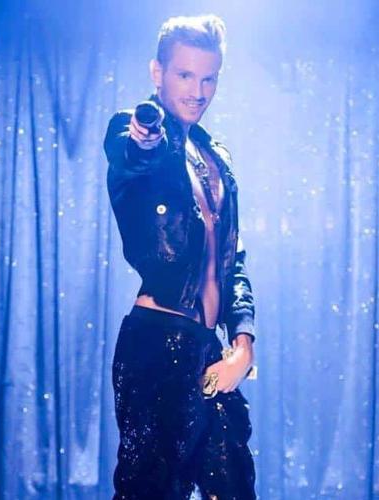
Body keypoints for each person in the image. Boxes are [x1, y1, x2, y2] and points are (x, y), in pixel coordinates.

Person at [104, 14, 256, 500]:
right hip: (157, 346)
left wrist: (243, 344)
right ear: (158, 73)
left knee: (235, 487)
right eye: (185, 75)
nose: (198, 91)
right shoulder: (134, 134)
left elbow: (231, 259)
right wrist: (144, 138)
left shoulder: (217, 158)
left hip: (209, 350)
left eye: (208, 78)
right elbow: (135, 152)